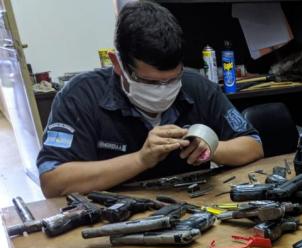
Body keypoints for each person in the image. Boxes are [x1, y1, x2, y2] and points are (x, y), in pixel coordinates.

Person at [37, 1, 263, 197]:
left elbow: (253, 145)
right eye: (149, 82)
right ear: (117, 64)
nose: (163, 90)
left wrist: (212, 147)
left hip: (192, 207)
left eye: (173, 79)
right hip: (113, 220)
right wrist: (140, 160)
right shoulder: (79, 96)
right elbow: (53, 181)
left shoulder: (198, 86)